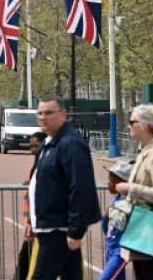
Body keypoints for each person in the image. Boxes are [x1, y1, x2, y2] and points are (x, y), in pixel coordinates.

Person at [24, 95, 100, 280]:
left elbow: (80, 187)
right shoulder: (47, 144)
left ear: (63, 114)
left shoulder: (71, 143)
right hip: (49, 225)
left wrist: (75, 230)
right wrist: (32, 222)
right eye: (40, 113)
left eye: (49, 112)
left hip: (58, 228)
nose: (43, 117)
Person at [115, 104, 153, 279]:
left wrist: (131, 188)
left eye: (132, 122)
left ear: (144, 125)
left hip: (151, 232)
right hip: (141, 229)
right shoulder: (145, 151)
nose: (129, 126)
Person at [15, 131, 47, 280]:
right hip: (33, 226)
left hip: (42, 226)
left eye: (37, 145)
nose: (33, 149)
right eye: (31, 146)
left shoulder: (47, 164)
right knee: (25, 263)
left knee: (27, 264)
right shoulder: (36, 165)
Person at [100, 162, 133, 280]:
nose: (109, 183)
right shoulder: (114, 201)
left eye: (112, 180)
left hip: (119, 254)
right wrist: (105, 217)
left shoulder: (130, 204)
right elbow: (107, 228)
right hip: (110, 251)